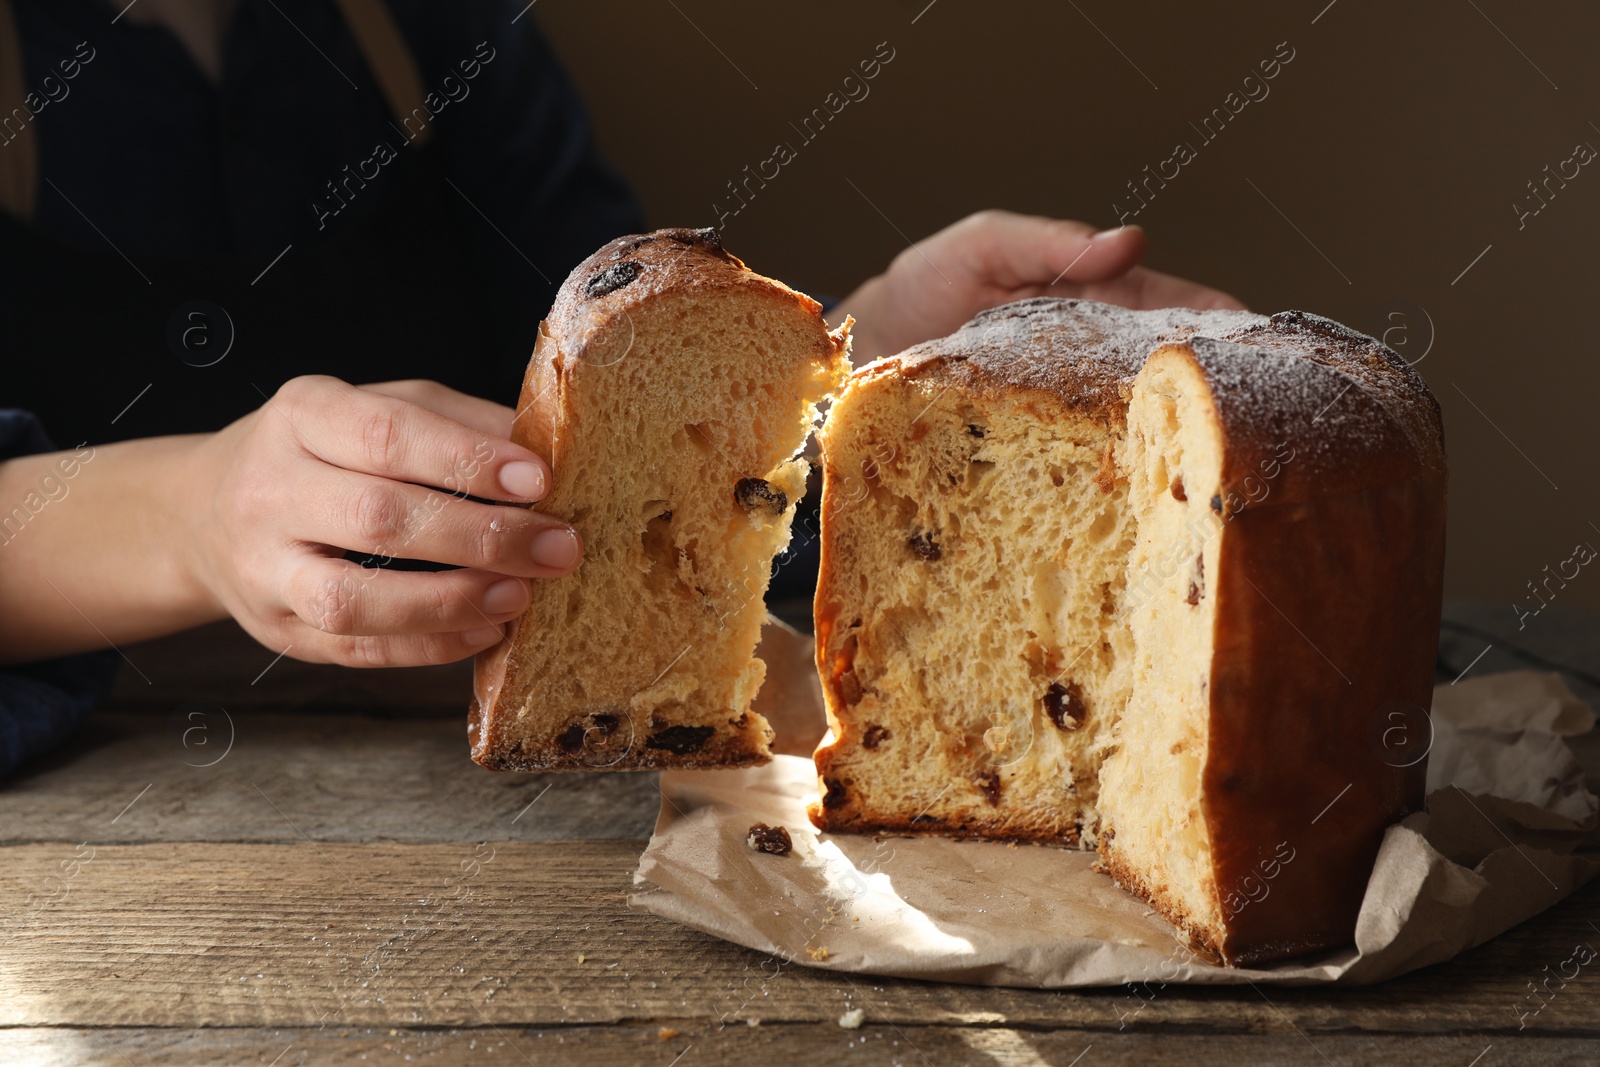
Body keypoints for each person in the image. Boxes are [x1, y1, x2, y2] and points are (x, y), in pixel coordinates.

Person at [0, 0, 1241, 774]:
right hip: (154, 806)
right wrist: (196, 511)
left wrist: (850, 394)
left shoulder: (445, 22)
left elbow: (611, 456)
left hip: (485, 782)